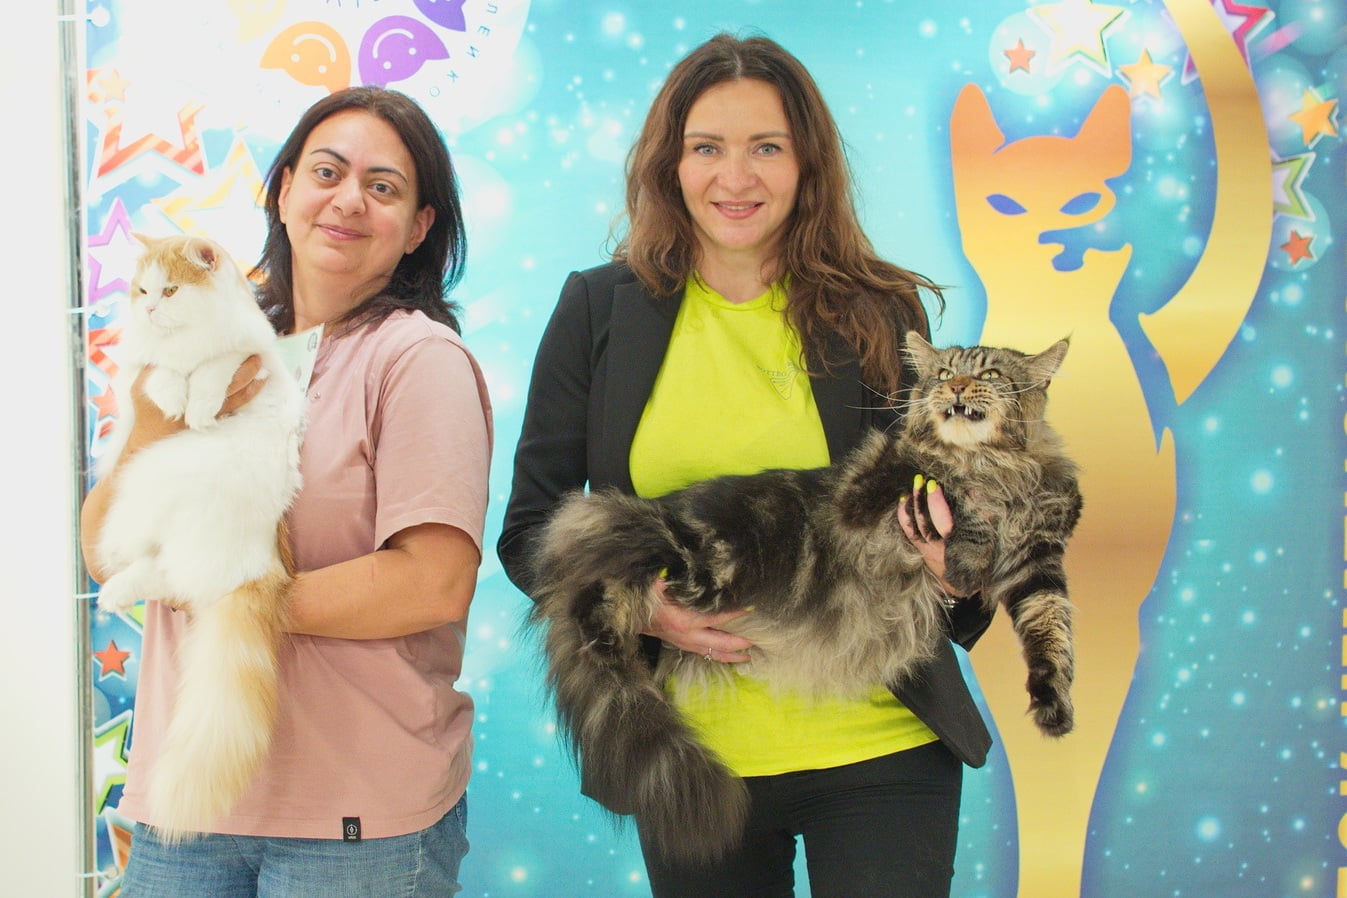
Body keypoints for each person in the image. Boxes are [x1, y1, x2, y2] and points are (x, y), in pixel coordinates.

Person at [497, 33, 994, 898]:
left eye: (766, 147)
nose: (735, 177)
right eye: (706, 148)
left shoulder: (881, 309)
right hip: (691, 761)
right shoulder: (597, 309)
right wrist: (643, 610)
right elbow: (530, 529)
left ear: (807, 164)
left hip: (882, 745)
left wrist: (959, 575)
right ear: (669, 163)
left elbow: (938, 515)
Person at [80, 86, 493, 897]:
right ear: (283, 190)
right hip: (187, 804)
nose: (348, 199)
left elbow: (433, 583)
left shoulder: (417, 361)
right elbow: (105, 552)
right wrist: (152, 426)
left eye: (382, 186)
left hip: (353, 822)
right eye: (327, 173)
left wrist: (235, 600)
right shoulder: (210, 344)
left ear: (418, 227)